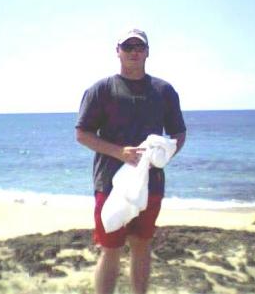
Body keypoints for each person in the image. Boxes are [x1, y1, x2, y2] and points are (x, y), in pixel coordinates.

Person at [75, 28, 186, 294]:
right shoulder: (101, 89)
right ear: (118, 51)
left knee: (141, 245)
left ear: (147, 52)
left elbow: (178, 133)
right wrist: (118, 152)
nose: (134, 52)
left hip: (151, 182)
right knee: (110, 249)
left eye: (139, 47)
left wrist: (162, 156)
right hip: (110, 183)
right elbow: (82, 134)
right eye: (128, 47)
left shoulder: (164, 90)